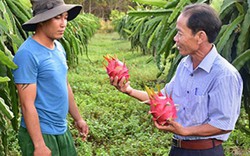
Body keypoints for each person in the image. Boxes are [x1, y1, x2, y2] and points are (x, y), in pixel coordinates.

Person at [110, 3, 243, 156]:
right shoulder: (184, 65)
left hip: (205, 152)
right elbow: (163, 98)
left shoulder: (224, 75)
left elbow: (224, 124)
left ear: (200, 37)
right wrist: (129, 90)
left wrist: (186, 131)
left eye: (180, 33)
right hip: (178, 149)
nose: (175, 38)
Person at [12, 0, 89, 155]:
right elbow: (26, 104)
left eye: (65, 17)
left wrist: (78, 118)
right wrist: (39, 145)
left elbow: (64, 85)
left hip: (61, 129)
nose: (64, 24)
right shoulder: (27, 54)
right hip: (41, 134)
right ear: (41, 21)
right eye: (57, 17)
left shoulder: (58, 47)